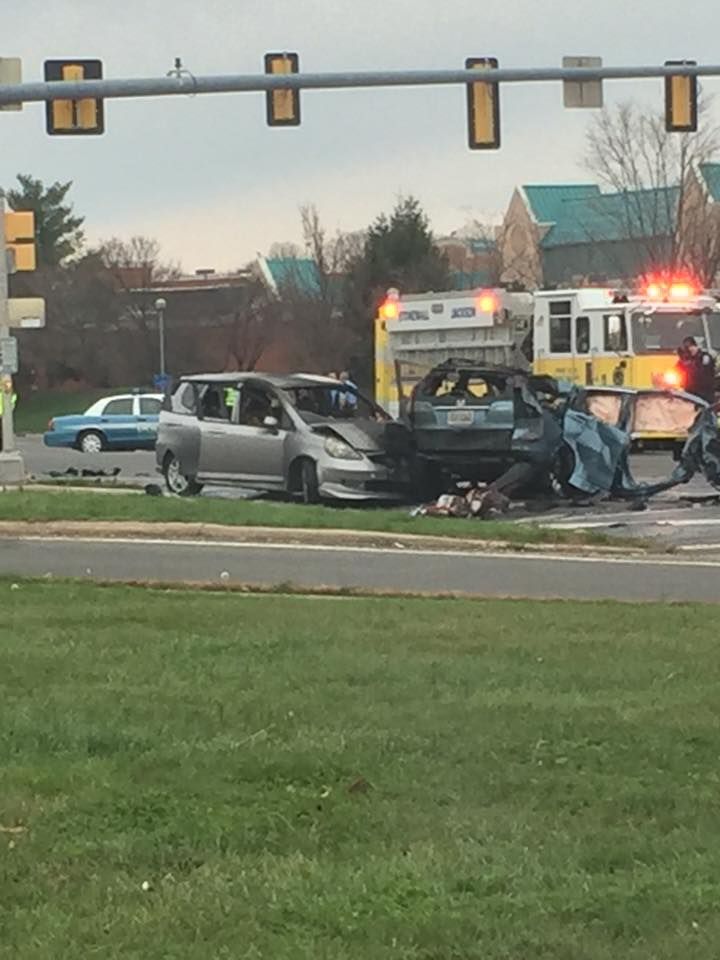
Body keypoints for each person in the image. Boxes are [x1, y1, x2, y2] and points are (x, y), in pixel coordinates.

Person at [677, 336, 716, 403]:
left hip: (704, 395)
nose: (690, 349)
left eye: (692, 346)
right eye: (687, 347)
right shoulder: (686, 360)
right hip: (689, 394)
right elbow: (676, 370)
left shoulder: (704, 357)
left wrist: (688, 366)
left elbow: (702, 372)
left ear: (697, 346)